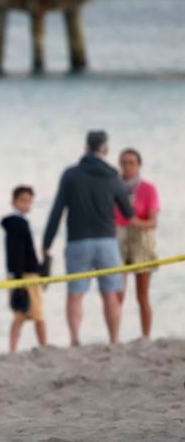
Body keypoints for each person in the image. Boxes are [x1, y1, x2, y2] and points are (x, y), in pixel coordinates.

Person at [42, 130, 134, 346]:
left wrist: (46, 243)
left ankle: (75, 339)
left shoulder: (71, 174)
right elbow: (128, 213)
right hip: (107, 242)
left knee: (76, 294)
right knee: (111, 294)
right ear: (105, 150)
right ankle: (114, 339)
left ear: (86, 148)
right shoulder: (113, 176)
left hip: (78, 241)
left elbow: (57, 210)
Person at [115, 148, 160, 339]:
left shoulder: (148, 189)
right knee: (117, 294)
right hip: (119, 239)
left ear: (138, 165)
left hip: (142, 240)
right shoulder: (113, 187)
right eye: (124, 162)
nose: (127, 166)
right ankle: (115, 336)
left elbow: (153, 222)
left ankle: (145, 336)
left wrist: (135, 221)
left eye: (131, 162)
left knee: (142, 295)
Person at [1, 186, 48, 352]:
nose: (26, 204)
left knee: (20, 315)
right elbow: (18, 253)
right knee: (38, 315)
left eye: (29, 201)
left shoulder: (16, 223)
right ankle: (44, 346)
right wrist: (20, 278)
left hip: (20, 274)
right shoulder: (18, 224)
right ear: (14, 202)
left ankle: (12, 349)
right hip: (26, 275)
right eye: (23, 200)